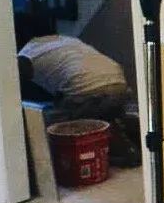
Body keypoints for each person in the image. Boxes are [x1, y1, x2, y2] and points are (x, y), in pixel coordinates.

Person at [18, 34, 141, 166]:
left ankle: (122, 150)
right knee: (101, 111)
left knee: (45, 123)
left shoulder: (25, 56)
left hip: (89, 90)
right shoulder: (62, 40)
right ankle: (127, 128)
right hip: (118, 83)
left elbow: (14, 90)